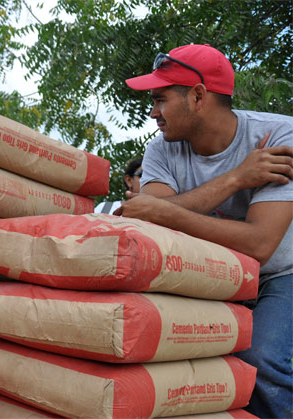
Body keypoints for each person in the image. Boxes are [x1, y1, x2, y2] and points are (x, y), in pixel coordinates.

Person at [118, 44, 293, 418]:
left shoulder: (280, 135)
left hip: (280, 274)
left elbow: (260, 244)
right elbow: (149, 219)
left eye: (160, 99)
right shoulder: (160, 151)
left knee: (259, 360)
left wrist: (166, 212)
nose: (153, 113)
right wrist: (236, 179)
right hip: (211, 276)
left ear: (198, 96)